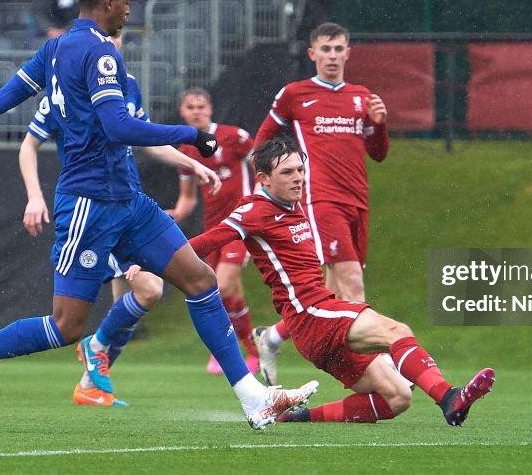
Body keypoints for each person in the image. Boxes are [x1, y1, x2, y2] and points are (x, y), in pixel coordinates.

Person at [0, 0, 317, 430]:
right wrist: (191, 133)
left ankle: (252, 398)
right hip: (89, 203)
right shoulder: (99, 54)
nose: (128, 11)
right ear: (108, 2)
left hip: (129, 201)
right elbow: (117, 126)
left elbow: (2, 99)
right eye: (126, 3)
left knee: (200, 280)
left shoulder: (56, 49)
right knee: (66, 326)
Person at [190, 138, 495, 425]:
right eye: (287, 172)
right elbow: (208, 241)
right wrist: (153, 257)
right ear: (264, 179)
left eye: (300, 169)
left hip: (315, 327)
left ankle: (297, 417)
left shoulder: (292, 203)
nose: (298, 177)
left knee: (398, 397)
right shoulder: (254, 210)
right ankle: (450, 399)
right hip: (311, 314)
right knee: (396, 331)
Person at [19, 31, 222, 406]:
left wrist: (192, 162)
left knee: (128, 303)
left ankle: (90, 385)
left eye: (116, 34)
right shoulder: (67, 83)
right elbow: (29, 143)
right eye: (105, 33)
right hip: (97, 205)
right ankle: (93, 350)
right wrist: (34, 195)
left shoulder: (127, 85)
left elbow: (146, 140)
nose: (110, 40)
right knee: (147, 292)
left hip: (125, 200)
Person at [250, 22, 389, 384]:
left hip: (358, 201)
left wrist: (380, 124)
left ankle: (272, 337)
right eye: (324, 49)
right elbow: (264, 141)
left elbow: (378, 154)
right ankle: (382, 370)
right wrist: (266, 186)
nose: (331, 55)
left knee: (327, 295)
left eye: (338, 48)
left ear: (348, 53)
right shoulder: (295, 94)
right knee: (353, 283)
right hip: (320, 199)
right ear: (312, 54)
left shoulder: (361, 96)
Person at [167, 88, 260, 376]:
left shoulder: (235, 136)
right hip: (214, 229)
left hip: (241, 225)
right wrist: (175, 215)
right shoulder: (186, 150)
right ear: (182, 112)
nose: (196, 111)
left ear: (210, 108)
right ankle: (255, 351)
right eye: (190, 107)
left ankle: (221, 350)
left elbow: (262, 170)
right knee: (230, 295)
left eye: (201, 106)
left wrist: (259, 202)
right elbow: (188, 197)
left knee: (220, 286)